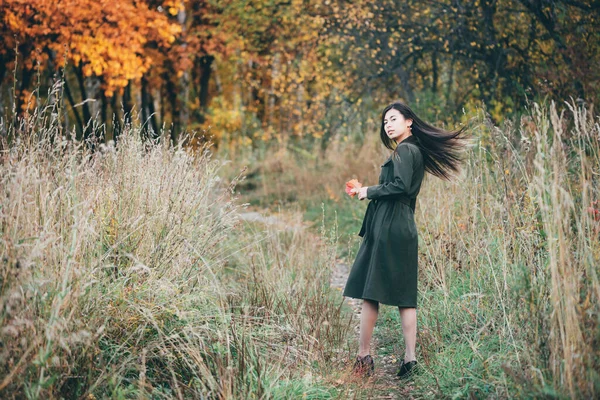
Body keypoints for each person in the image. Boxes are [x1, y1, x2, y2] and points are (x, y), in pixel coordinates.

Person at [344, 101, 465, 378]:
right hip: (403, 225)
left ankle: (363, 358)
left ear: (409, 121)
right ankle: (410, 361)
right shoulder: (413, 150)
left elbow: (398, 186)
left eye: (393, 119)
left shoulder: (404, 150)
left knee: (370, 292)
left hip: (389, 224)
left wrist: (368, 191)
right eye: (385, 121)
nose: (388, 124)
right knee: (405, 296)